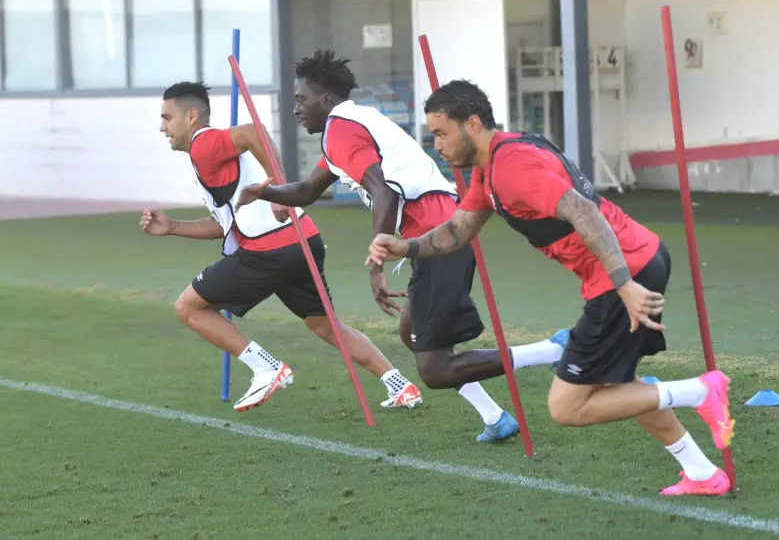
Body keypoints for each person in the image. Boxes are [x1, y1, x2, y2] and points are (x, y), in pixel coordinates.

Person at [365, 79, 735, 496]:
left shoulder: (512, 168)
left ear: (472, 124)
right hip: (638, 259)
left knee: (568, 406)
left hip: (625, 272)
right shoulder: (494, 164)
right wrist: (406, 246)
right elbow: (457, 230)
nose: (437, 146)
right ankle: (703, 473)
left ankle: (701, 391)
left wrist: (624, 286)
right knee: (619, 385)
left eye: (441, 133)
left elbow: (584, 212)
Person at [235, 50, 569, 443]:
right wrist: (266, 191)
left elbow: (384, 193)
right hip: (434, 232)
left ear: (325, 99)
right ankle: (496, 418)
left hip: (435, 235)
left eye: (301, 99)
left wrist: (376, 264)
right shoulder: (351, 124)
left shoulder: (342, 129)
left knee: (434, 370)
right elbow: (309, 189)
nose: (296, 109)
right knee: (412, 333)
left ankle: (553, 350)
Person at [141, 81, 422, 413]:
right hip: (302, 240)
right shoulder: (204, 156)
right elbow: (224, 226)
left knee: (189, 307)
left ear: (190, 116)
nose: (162, 127)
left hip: (269, 250)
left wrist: (281, 186)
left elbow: (253, 132)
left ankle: (266, 368)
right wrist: (173, 227)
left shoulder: (204, 143)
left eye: (166, 118)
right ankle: (399, 385)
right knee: (325, 325)